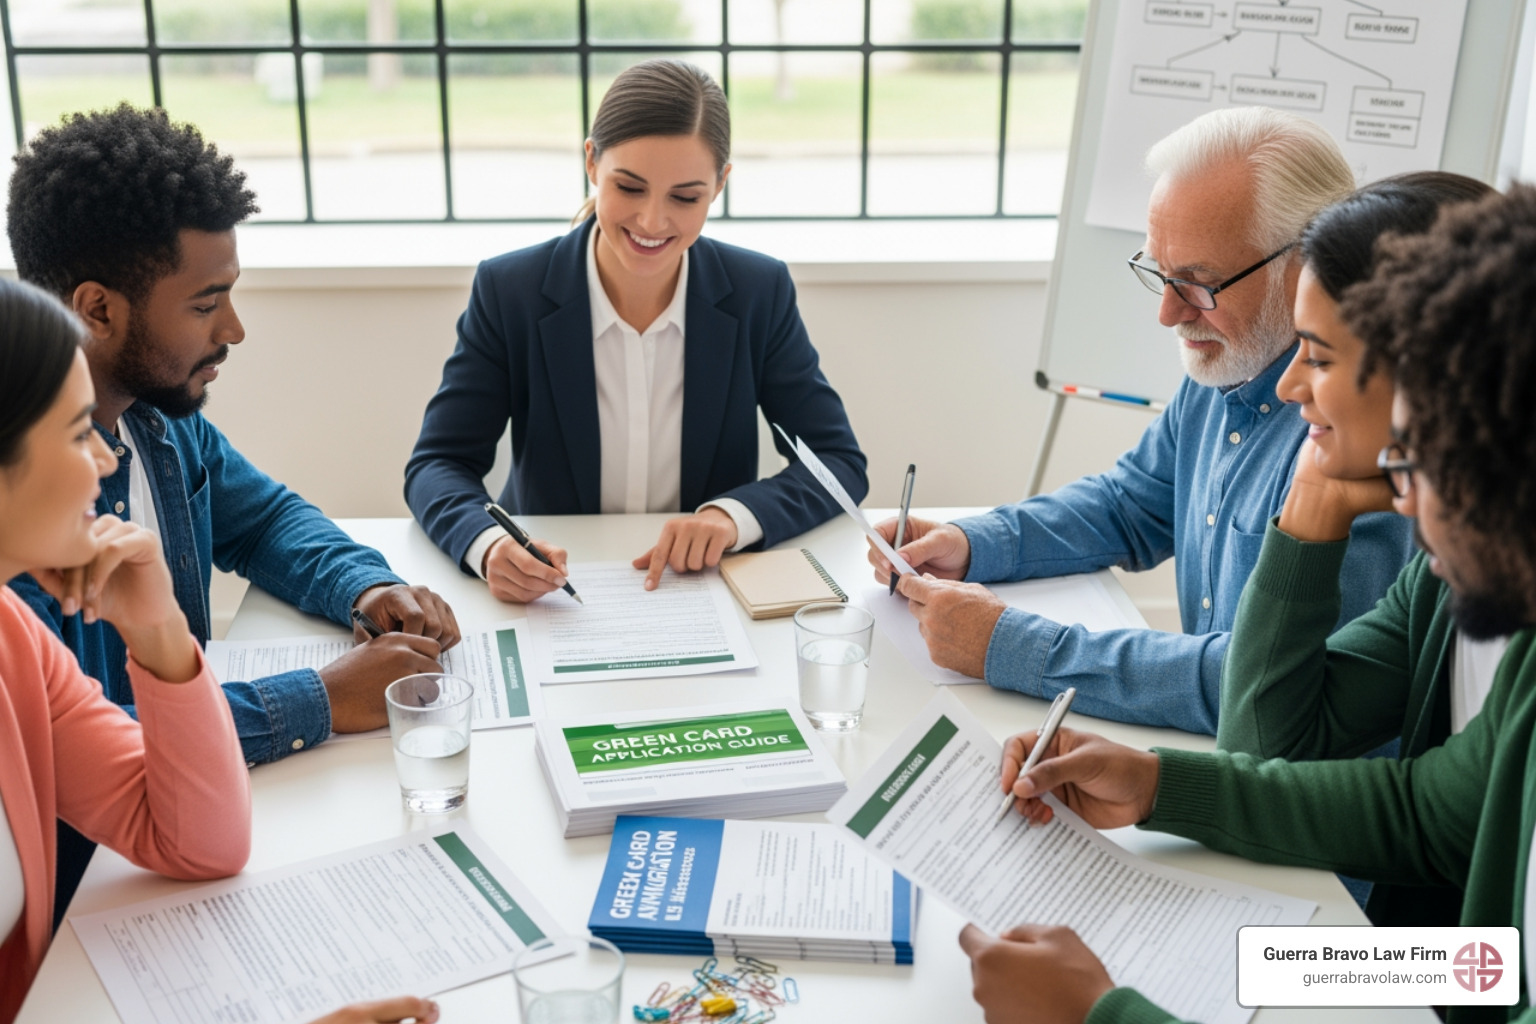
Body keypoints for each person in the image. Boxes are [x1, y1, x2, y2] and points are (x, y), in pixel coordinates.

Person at [962, 183, 1536, 1024]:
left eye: (1416, 459)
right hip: (1447, 971)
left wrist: (1103, 1017)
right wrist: (1160, 787)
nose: (1290, 386)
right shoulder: (1476, 587)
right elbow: (1425, 820)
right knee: (1222, 961)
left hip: (1446, 978)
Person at [5, 104, 461, 923]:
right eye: (207, 302)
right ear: (98, 311)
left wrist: (363, 585)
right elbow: (136, 745)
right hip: (90, 895)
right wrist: (323, 699)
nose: (236, 329)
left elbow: (266, 518)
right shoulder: (37, 541)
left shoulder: (157, 423)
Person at [867, 106, 1415, 734]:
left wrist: (1011, 645)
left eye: (1199, 283)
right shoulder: (1230, 357)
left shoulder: (1354, 432)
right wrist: (975, 542)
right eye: (1159, 271)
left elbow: (1272, 686)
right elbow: (1133, 503)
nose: (1168, 313)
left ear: (1307, 260)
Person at [405, 59, 868, 599]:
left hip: (700, 591)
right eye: (630, 187)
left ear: (719, 185)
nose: (652, 222)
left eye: (685, 197)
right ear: (591, 163)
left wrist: (731, 518)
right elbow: (439, 463)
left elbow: (838, 463)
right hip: (555, 596)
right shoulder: (511, 290)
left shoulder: (757, 290)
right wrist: (486, 545)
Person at [1216, 171, 1492, 928]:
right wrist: (1311, 511)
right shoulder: (1447, 575)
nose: (1287, 389)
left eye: (1319, 357)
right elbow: (1272, 747)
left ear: (1429, 372)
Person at [0, 275, 251, 1023]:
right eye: (81, 434)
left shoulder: (14, 639)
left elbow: (199, 842)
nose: (107, 462)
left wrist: (159, 629)